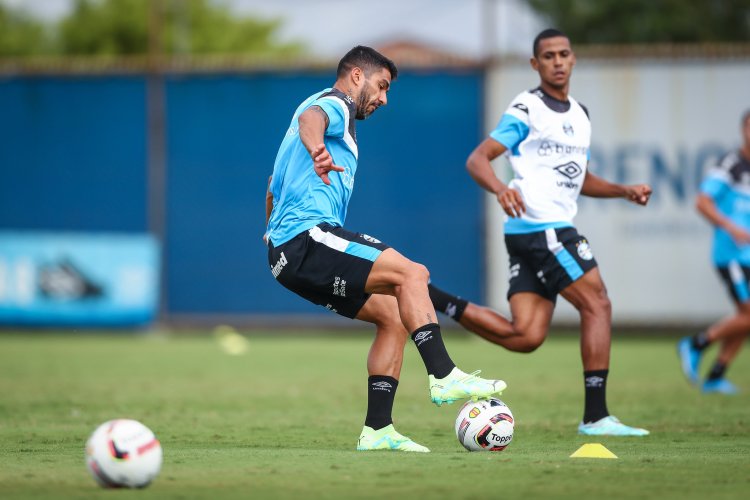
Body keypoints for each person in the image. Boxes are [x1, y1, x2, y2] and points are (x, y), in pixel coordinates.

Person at [264, 45, 506, 453]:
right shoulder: (334, 103)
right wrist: (317, 149)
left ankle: (378, 430)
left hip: (287, 252)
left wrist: (269, 236)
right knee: (413, 274)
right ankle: (444, 374)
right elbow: (313, 121)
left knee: (395, 315)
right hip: (307, 238)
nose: (383, 98)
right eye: (381, 86)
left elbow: (272, 183)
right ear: (356, 75)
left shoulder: (316, 114)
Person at [427, 29, 652, 436]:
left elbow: (577, 178)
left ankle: (433, 296)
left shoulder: (580, 114)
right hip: (543, 228)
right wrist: (500, 188)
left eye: (564, 53)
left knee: (526, 335)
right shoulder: (527, 108)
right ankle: (596, 417)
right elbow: (478, 159)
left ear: (574, 58)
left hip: (531, 232)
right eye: (548, 56)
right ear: (536, 64)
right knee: (598, 304)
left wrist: (623, 190)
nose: (558, 61)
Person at [678, 110, 750, 395]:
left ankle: (716, 375)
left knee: (745, 318)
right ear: (743, 129)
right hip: (731, 254)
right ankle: (696, 343)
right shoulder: (731, 164)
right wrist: (731, 227)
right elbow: (703, 202)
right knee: (748, 314)